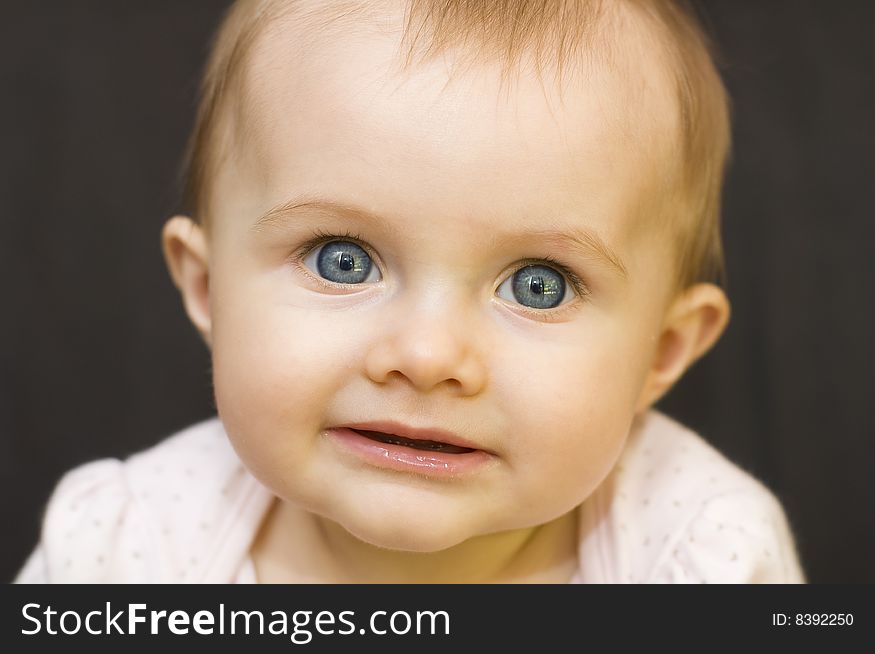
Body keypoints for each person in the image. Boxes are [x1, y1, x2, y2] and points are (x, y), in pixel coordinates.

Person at [15, 0, 804, 583]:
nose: (427, 357)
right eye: (342, 261)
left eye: (539, 284)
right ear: (209, 289)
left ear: (660, 352)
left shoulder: (702, 559)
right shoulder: (122, 555)